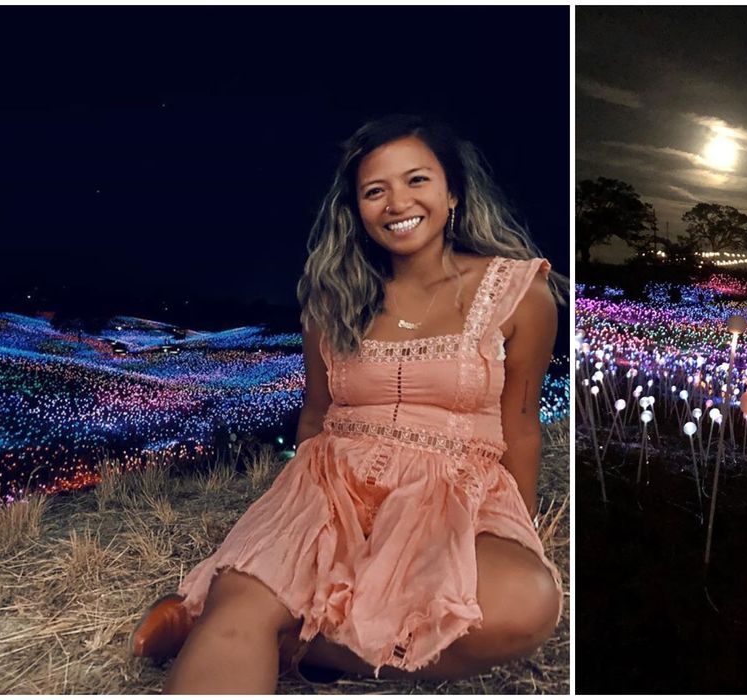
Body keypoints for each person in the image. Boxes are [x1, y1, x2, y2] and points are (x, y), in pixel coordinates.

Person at [129, 115, 565, 693]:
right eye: (374, 190)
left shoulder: (520, 293)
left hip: (455, 491)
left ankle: (277, 641)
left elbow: (522, 422)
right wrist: (293, 518)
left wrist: (523, 528)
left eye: (417, 181)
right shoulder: (333, 298)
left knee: (523, 602)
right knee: (248, 606)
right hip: (333, 480)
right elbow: (315, 412)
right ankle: (235, 616)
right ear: (356, 208)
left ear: (453, 191)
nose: (396, 202)